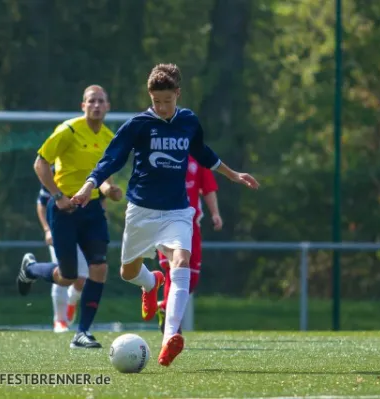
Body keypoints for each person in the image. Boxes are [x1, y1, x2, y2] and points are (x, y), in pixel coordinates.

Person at [71, 63, 259, 367]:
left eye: (167, 101)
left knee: (180, 261)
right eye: (156, 101)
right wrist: (87, 186)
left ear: (178, 94)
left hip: (177, 211)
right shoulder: (138, 124)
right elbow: (111, 160)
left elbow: (204, 153)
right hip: (142, 211)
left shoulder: (188, 121)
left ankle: (170, 335)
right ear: (150, 97)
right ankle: (150, 283)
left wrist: (233, 174)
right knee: (128, 272)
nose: (161, 107)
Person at [16, 85, 123, 349]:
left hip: (93, 209)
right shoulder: (69, 130)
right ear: (82, 105)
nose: (96, 105)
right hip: (64, 210)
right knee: (68, 276)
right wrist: (58, 196)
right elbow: (40, 163)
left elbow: (105, 179)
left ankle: (82, 332)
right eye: (91, 101)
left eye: (101, 101)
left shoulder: (110, 137)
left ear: (108, 106)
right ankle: (29, 269)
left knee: (99, 268)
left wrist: (111, 189)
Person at [155, 155, 223, 333]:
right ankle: (172, 327)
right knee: (174, 270)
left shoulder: (199, 156)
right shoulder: (161, 153)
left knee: (191, 279)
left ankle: (164, 307)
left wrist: (215, 213)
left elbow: (208, 188)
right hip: (166, 222)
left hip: (191, 225)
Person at [36, 184, 89, 333]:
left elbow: (101, 201)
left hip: (82, 232)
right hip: (59, 229)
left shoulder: (90, 170)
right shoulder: (55, 172)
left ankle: (71, 302)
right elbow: (41, 204)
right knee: (63, 275)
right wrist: (47, 230)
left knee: (81, 279)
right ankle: (59, 320)